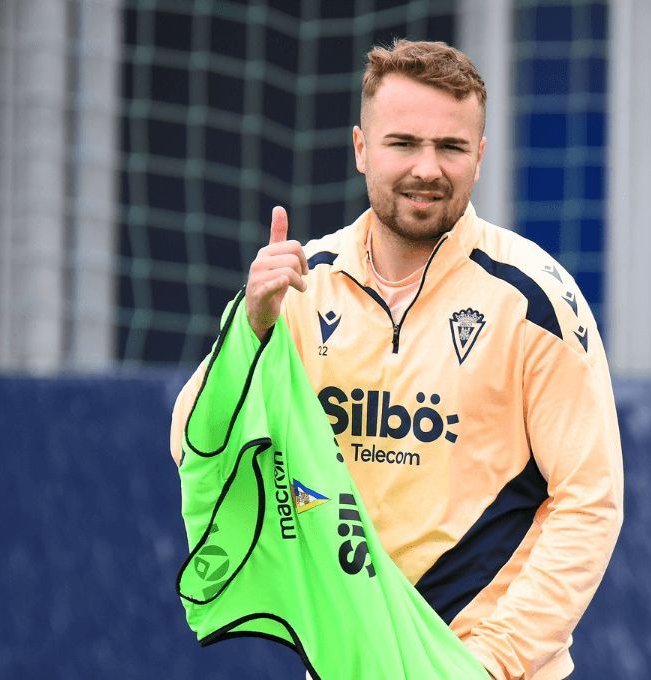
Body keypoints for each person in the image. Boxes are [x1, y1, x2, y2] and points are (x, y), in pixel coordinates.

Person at [170, 39, 624, 680]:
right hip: (348, 665)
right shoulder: (301, 285)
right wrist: (251, 328)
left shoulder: (536, 300)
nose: (427, 169)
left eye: (451, 147)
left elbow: (590, 502)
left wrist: (490, 663)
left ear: (480, 156)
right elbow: (192, 443)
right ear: (361, 148)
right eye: (403, 143)